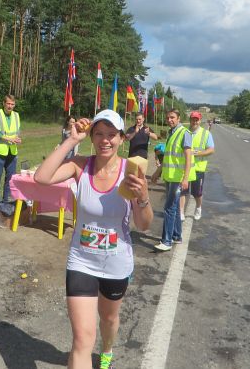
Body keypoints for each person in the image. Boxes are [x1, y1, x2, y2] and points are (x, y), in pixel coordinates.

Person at [34, 109, 153, 369]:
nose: (105, 140)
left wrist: (143, 196)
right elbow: (41, 178)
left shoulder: (129, 172)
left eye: (112, 134)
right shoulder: (80, 165)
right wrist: (71, 139)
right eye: (98, 134)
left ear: (122, 138)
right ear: (91, 137)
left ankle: (107, 348)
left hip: (115, 263)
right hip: (82, 262)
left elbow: (144, 225)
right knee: (82, 340)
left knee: (108, 320)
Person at [153, 109, 192, 252]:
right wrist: (158, 171)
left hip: (178, 178)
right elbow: (168, 157)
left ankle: (166, 241)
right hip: (169, 177)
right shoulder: (171, 133)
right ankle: (176, 236)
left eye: (172, 117)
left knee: (169, 208)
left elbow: (189, 157)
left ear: (179, 118)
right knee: (173, 208)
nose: (170, 120)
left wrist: (185, 178)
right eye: (168, 117)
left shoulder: (184, 133)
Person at [0, 94, 21, 201]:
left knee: (10, 179)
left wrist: (17, 139)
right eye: (8, 103)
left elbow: (17, 131)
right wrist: (8, 138)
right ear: (4, 103)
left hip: (12, 151)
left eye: (12, 104)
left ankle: (5, 201)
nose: (10, 106)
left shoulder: (16, 115)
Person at [186, 111, 215, 220]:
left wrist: (198, 153)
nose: (194, 121)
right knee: (182, 192)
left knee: (197, 193)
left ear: (200, 120)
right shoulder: (185, 131)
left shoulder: (206, 133)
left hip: (198, 168)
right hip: (184, 167)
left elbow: (211, 150)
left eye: (196, 120)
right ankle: (180, 213)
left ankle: (198, 209)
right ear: (190, 120)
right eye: (193, 119)